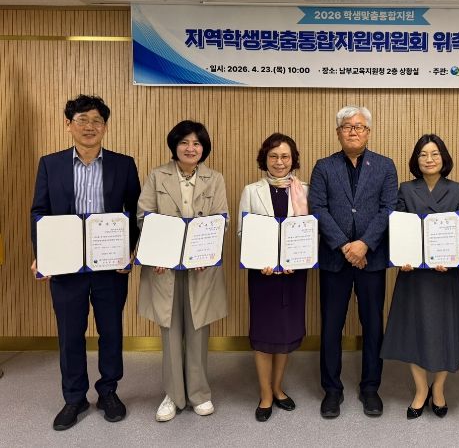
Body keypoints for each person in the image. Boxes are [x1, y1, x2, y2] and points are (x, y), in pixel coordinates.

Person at [30, 95, 141, 430]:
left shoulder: (124, 164)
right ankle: (74, 397)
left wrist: (130, 251)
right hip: (66, 266)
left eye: (96, 120)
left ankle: (108, 391)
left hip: (110, 265)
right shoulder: (51, 164)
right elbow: (39, 212)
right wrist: (43, 255)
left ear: (105, 127)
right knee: (70, 333)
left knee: (111, 330)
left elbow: (135, 212)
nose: (89, 126)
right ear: (68, 124)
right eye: (82, 119)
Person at [137, 120, 229, 422]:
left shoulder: (215, 179)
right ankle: (173, 395)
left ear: (204, 149)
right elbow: (144, 217)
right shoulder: (157, 175)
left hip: (200, 267)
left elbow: (221, 220)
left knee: (199, 329)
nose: (191, 148)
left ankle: (200, 394)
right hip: (165, 268)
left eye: (197, 143)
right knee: (170, 330)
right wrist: (157, 252)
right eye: (185, 142)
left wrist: (206, 251)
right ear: (174, 146)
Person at [309, 105, 398, 418]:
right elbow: (318, 208)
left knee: (372, 325)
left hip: (371, 259)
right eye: (347, 126)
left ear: (368, 132)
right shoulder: (323, 167)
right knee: (331, 326)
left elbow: (388, 208)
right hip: (335, 258)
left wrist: (364, 244)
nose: (353, 131)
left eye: (359, 126)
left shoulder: (385, 166)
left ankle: (370, 388)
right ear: (338, 133)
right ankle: (332, 390)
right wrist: (346, 246)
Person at [381, 134, 459, 420]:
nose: (429, 159)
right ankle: (421, 390)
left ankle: (439, 389)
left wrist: (450, 254)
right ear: (416, 160)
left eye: (435, 154)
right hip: (414, 275)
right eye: (423, 154)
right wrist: (402, 255)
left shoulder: (457, 189)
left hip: (445, 275)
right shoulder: (406, 189)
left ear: (444, 158)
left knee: (446, 331)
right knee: (415, 332)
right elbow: (398, 227)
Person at [238, 133, 310, 422]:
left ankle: (278, 388)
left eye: (285, 156)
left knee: (286, 332)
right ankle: (265, 394)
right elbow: (243, 233)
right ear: (264, 159)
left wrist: (299, 258)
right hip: (263, 275)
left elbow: (310, 231)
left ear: (293, 159)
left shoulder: (304, 190)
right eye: (273, 156)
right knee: (264, 334)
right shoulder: (251, 191)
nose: (279, 162)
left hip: (294, 275)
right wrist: (260, 261)